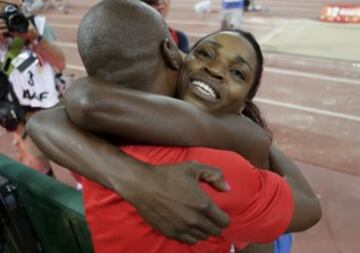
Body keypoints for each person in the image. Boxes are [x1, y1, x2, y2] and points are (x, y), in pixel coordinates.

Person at [27, 0, 320, 252]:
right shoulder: (216, 172)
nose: (214, 70)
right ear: (173, 54)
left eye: (237, 72)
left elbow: (57, 113)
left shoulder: (86, 139)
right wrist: (252, 137)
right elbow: (309, 207)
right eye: (205, 54)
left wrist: (135, 177)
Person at [0, 1, 65, 176]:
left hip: (56, 105)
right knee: (40, 171)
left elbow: (60, 63)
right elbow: (4, 75)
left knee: (76, 162)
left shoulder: (34, 24)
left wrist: (35, 38)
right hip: (23, 115)